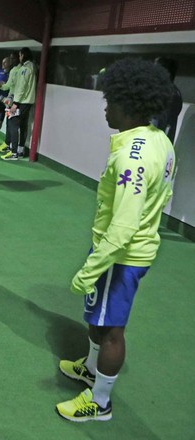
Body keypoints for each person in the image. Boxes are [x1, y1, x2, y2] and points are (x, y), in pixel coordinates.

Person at [55, 58, 176, 422]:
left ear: (127, 103)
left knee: (112, 331)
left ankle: (101, 402)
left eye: (110, 101)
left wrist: (90, 269)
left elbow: (123, 227)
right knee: (100, 320)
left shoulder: (130, 158)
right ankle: (91, 370)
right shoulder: (159, 139)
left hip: (121, 255)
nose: (106, 107)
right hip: (127, 251)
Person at [2, 48, 36, 161]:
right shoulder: (33, 67)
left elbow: (21, 87)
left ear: (23, 56)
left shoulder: (24, 69)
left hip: (22, 101)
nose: (19, 58)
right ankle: (20, 150)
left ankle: (14, 152)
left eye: (20, 55)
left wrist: (15, 103)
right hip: (29, 101)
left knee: (12, 122)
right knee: (23, 125)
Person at [152, 57, 182, 144]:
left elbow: (156, 121)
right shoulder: (175, 92)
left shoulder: (164, 93)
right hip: (164, 143)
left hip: (156, 144)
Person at [0, 52, 20, 153]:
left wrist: (1, 85)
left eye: (13, 58)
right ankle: (9, 145)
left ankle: (12, 149)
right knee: (12, 123)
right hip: (18, 100)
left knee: (12, 124)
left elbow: (8, 86)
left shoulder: (15, 70)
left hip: (14, 99)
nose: (11, 61)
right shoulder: (22, 69)